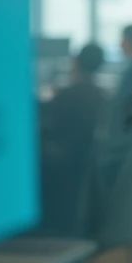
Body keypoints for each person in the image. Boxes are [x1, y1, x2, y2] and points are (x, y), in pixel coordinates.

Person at [40, 43, 108, 234]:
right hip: (82, 186)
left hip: (63, 181)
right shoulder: (100, 96)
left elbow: (45, 121)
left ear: (75, 63)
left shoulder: (68, 96)